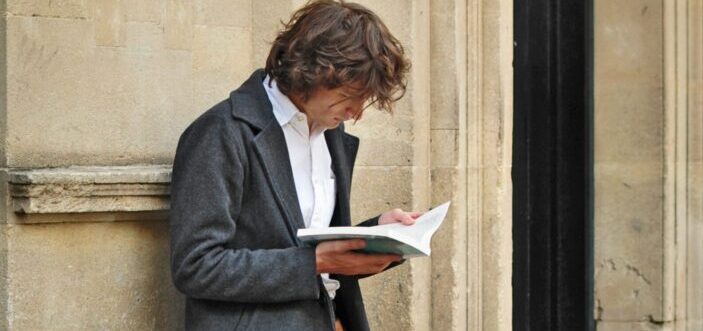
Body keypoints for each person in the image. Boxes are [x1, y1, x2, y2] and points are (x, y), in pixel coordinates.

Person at [169, 1, 418, 330]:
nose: (356, 112)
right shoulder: (222, 132)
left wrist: (377, 233)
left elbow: (309, 239)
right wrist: (312, 263)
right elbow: (195, 266)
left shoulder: (330, 135)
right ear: (316, 72)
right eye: (350, 96)